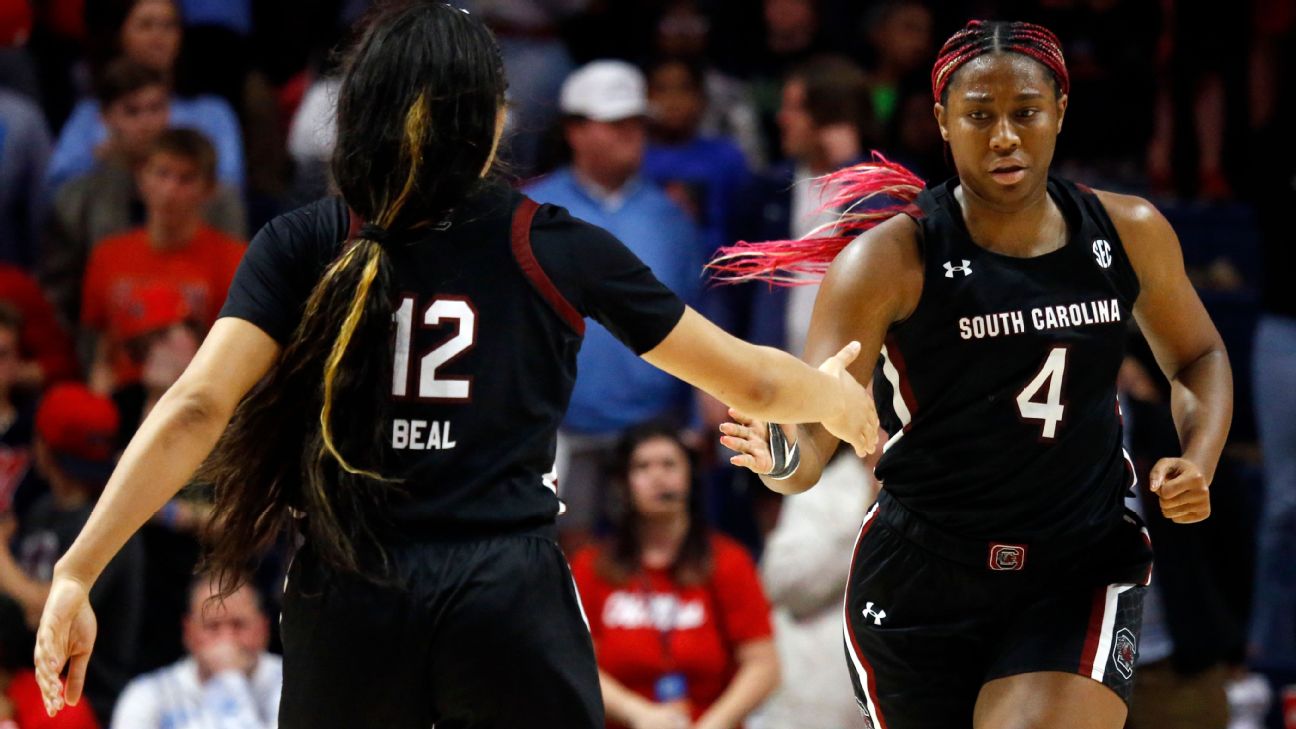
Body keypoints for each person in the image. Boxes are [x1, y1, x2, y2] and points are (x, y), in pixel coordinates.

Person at [32, 5, 878, 728]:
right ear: (489, 119)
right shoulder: (550, 241)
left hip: (348, 588)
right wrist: (839, 402)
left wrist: (77, 570)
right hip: (503, 587)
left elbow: (192, 409)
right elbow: (754, 381)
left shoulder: (305, 241)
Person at [714, 20, 1232, 729]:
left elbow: (1199, 355)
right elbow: (810, 440)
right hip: (923, 575)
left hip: (1076, 561)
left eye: (1026, 112)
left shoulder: (1129, 229)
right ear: (942, 122)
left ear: (1060, 109)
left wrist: (1197, 457)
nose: (1005, 136)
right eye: (980, 116)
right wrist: (780, 457)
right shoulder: (886, 261)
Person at [525, 59, 705, 549]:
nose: (632, 135)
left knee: (653, 560)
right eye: (616, 123)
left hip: (651, 433)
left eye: (637, 124)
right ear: (575, 131)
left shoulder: (672, 217)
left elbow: (697, 313)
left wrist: (695, 414)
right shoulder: (531, 212)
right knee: (565, 564)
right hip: (560, 432)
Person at [570, 424, 779, 729]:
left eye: (669, 464)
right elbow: (576, 665)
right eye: (642, 466)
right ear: (624, 483)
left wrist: (712, 724)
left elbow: (764, 664)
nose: (658, 476)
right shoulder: (591, 565)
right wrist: (639, 714)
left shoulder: (728, 561)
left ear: (690, 478)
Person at [41, 60, 245, 326]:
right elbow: (61, 298)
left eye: (156, 108)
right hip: (111, 344)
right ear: (104, 117)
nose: (148, 122)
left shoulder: (217, 194)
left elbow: (237, 287)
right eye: (132, 111)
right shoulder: (76, 199)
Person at [1, 384, 143, 726]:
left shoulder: (110, 528)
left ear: (42, 448)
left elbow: (47, 614)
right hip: (30, 685)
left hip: (86, 701)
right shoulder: (40, 510)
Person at [79, 128, 245, 393]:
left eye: (186, 179)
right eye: (162, 174)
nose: (170, 190)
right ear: (141, 179)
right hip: (120, 403)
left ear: (209, 189)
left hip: (193, 396)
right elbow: (100, 347)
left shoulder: (234, 260)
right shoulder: (107, 255)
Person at [47, 0, 244, 192]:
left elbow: (229, 188)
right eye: (146, 25)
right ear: (120, 34)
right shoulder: (91, 111)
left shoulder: (212, 112)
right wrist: (104, 161)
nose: (159, 37)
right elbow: (55, 189)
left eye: (169, 26)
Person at [111, 577, 281, 729]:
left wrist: (229, 680)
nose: (226, 639)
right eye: (212, 626)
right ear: (188, 631)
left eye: (238, 625)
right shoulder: (147, 695)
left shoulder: (293, 683)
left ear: (263, 627)